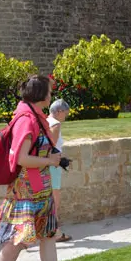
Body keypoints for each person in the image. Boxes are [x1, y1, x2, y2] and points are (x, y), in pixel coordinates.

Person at [0, 75, 65, 261]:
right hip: (27, 193)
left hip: (40, 190)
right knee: (17, 242)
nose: (51, 95)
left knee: (48, 236)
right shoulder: (27, 119)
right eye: (49, 91)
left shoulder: (33, 116)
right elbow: (21, 158)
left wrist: (49, 160)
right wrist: (50, 161)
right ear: (41, 94)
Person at [46, 99, 72, 243]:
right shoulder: (55, 124)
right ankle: (56, 232)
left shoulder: (45, 121)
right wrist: (60, 160)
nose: (66, 116)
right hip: (53, 165)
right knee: (55, 200)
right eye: (65, 113)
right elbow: (52, 147)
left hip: (46, 165)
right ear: (59, 111)